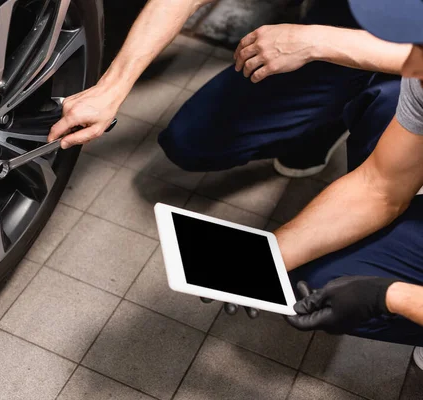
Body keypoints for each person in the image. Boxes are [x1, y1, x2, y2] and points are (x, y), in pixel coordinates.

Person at [50, 0, 423, 362]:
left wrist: (392, 297)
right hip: (355, 38)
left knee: (341, 279)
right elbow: (380, 186)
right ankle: (322, 127)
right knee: (199, 143)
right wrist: (261, 260)